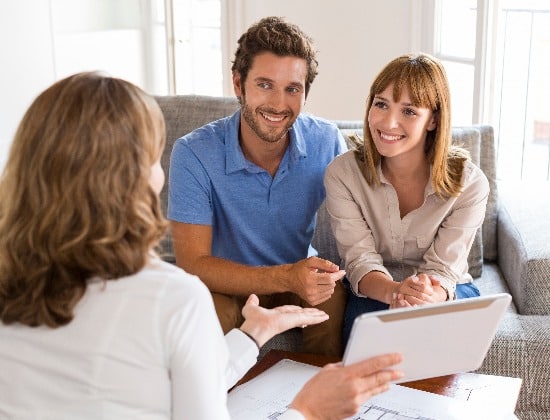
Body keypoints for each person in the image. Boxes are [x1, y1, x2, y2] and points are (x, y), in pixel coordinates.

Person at [0, 72, 403, 419]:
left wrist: (249, 338)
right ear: (131, 180)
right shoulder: (171, 299)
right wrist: (309, 410)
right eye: (151, 160)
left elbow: (185, 389)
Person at [168, 16, 347, 357]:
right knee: (211, 312)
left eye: (292, 89)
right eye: (265, 84)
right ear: (238, 84)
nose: (279, 104)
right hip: (224, 285)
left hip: (294, 278)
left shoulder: (326, 141)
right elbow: (193, 265)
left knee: (333, 297)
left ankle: (316, 402)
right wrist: (286, 277)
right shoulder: (193, 153)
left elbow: (356, 224)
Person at [323, 53, 490, 345]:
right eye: (381, 104)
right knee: (365, 348)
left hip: (442, 292)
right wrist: (396, 292)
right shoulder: (343, 174)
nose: (389, 122)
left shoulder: (470, 184)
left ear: (433, 119)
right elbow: (360, 259)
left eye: (409, 111)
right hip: (377, 289)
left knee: (441, 355)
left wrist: (425, 296)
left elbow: (444, 270)